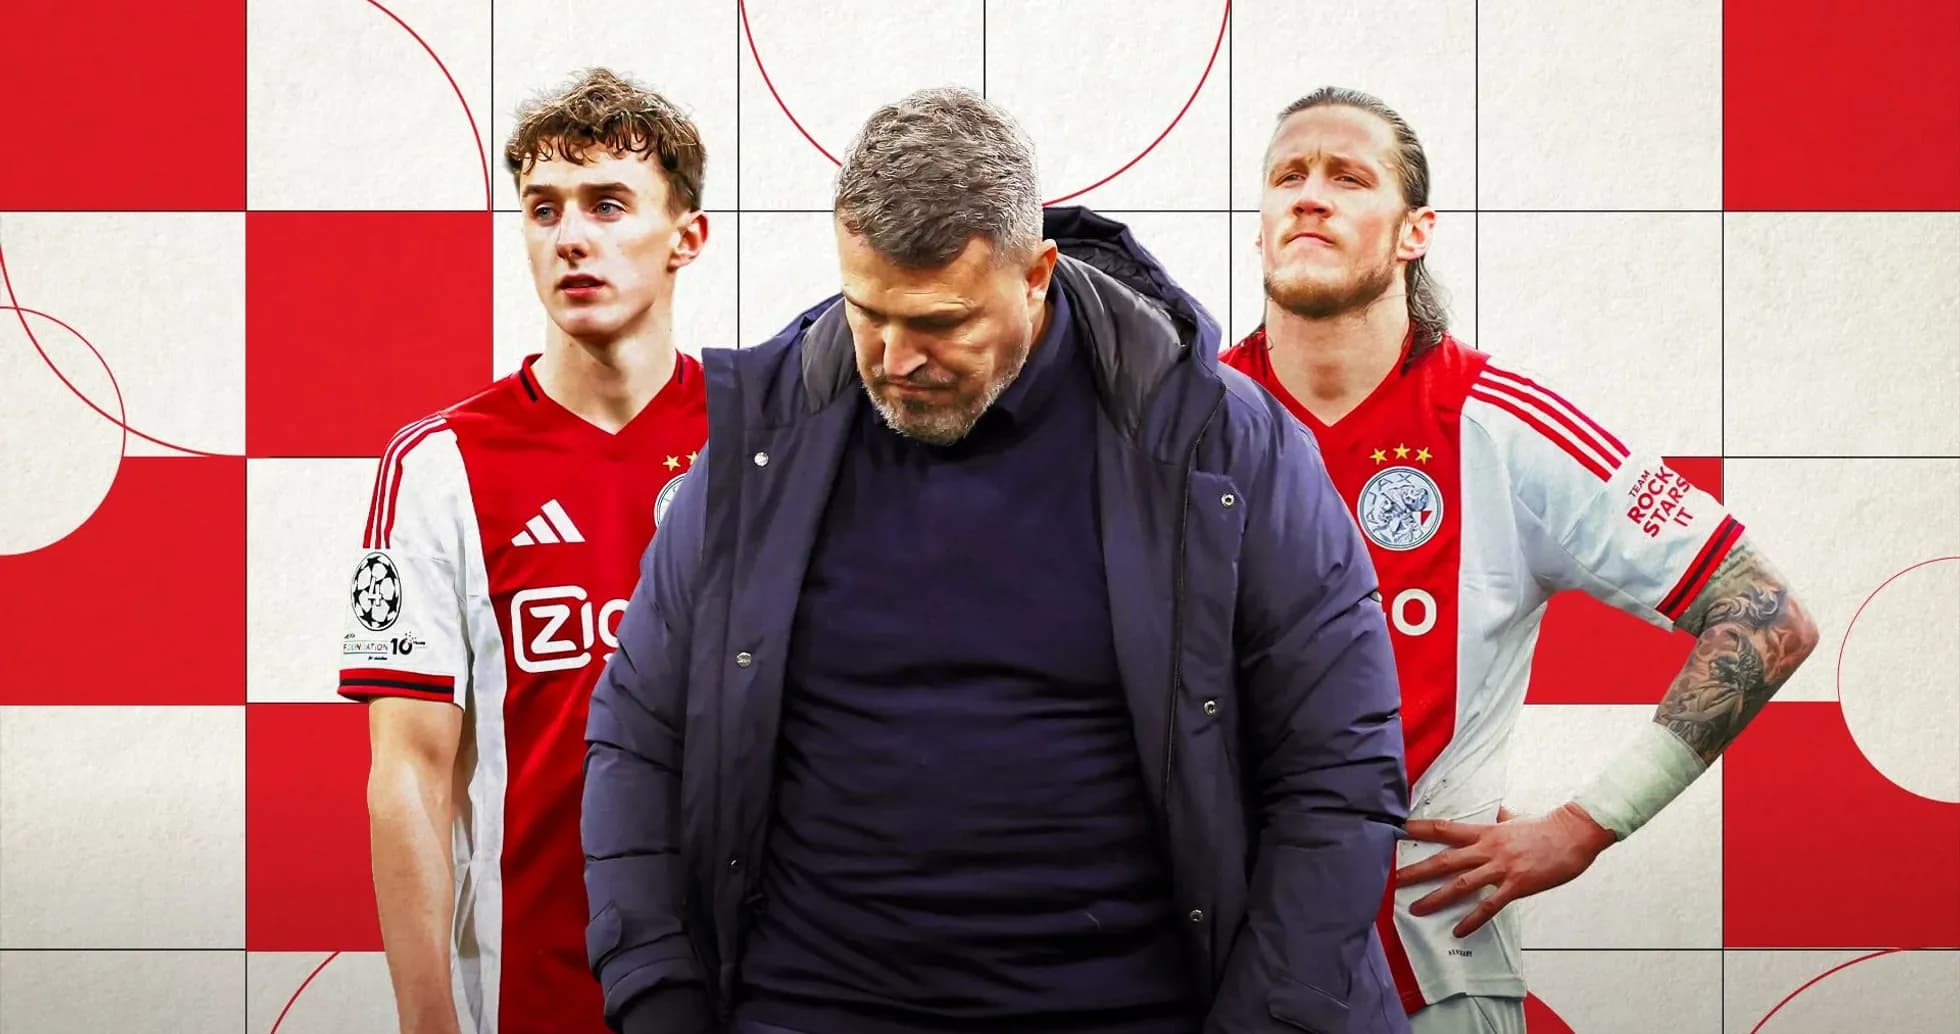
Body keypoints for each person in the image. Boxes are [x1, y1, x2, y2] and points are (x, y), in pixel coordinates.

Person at [582, 87, 1413, 1034]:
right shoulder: (760, 447)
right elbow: (639, 738)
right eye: (869, 314)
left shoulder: (1222, 446)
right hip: (805, 1005)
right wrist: (655, 991)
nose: (897, 357)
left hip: (1138, 1009)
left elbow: (1339, 768)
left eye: (941, 323)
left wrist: (1274, 1020)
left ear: (1037, 276)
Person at [1221, 87, 1820, 1033]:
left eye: (1347, 176)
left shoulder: (1500, 422)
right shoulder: (1186, 426)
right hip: (1215, 971)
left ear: (1415, 230)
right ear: (1258, 230)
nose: (1309, 196)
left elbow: (1766, 613)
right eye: (1287, 177)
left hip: (1430, 977)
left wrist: (1586, 826)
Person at [339, 67, 711, 1034]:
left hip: (752, 990)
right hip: (534, 994)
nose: (571, 236)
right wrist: (429, 1024)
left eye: (608, 204)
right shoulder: (440, 465)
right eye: (544, 210)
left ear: (687, 238)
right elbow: (409, 771)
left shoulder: (763, 441)